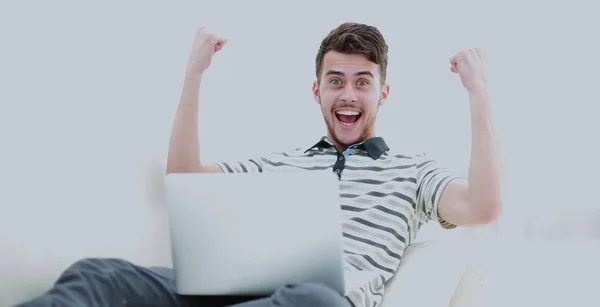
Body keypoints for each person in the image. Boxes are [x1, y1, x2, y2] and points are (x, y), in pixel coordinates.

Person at [17, 22, 503, 307]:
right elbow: (185, 182)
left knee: (313, 301)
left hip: (316, 303)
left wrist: (478, 95)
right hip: (234, 292)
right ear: (318, 92)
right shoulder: (281, 163)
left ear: (383, 92)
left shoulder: (412, 170)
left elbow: (482, 206)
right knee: (100, 276)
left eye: (362, 81)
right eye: (336, 81)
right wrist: (194, 76)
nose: (348, 93)